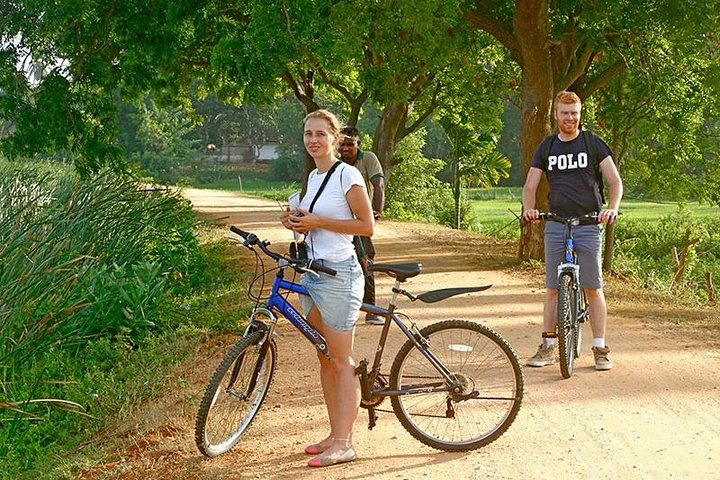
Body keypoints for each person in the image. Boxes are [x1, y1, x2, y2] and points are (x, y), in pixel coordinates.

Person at [280, 109, 374, 467]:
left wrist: (319, 221)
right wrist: (293, 220)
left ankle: (345, 443)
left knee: (340, 360)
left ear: (335, 138)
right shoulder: (313, 177)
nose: (313, 140)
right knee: (323, 356)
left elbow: (366, 226)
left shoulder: (346, 174)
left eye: (321, 133)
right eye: (308, 134)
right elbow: (309, 224)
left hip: (339, 274)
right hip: (313, 274)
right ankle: (335, 434)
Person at [522, 90, 623, 371]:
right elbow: (530, 185)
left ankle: (600, 347)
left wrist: (611, 208)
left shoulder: (592, 143)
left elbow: (614, 181)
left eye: (574, 113)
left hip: (589, 223)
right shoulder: (547, 147)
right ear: (556, 115)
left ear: (580, 114)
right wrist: (529, 209)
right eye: (565, 113)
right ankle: (548, 346)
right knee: (553, 288)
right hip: (555, 222)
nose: (570, 118)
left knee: (592, 287)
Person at [339, 126, 386, 325]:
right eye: (342, 145)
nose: (346, 149)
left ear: (358, 145)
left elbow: (379, 184)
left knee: (365, 260)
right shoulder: (334, 162)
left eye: (350, 144)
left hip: (358, 221)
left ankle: (370, 309)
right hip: (338, 220)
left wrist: (376, 211)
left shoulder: (367, 158)